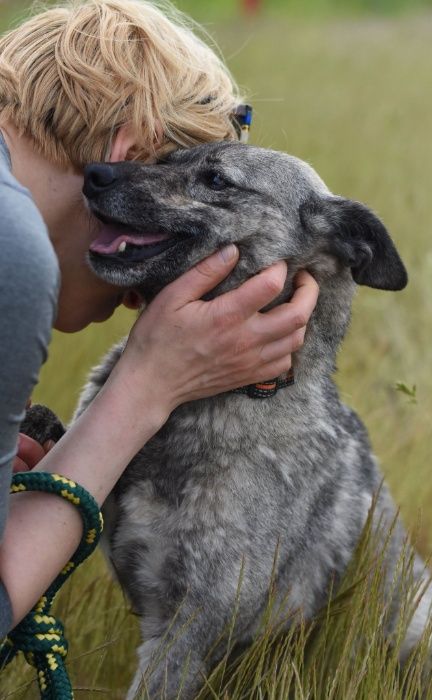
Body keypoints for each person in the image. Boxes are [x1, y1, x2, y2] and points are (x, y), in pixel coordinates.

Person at [0, 0, 318, 639]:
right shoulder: (14, 251)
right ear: (130, 149)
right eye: (167, 233)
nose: (142, 295)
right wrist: (148, 384)